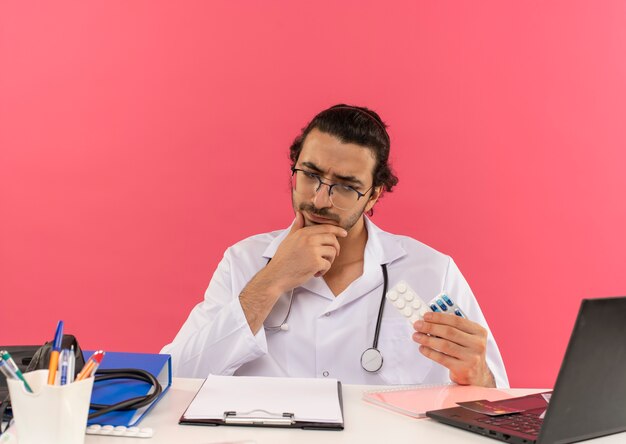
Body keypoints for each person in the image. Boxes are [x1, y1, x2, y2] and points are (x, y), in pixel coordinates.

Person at [161, 104, 509, 388]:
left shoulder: (432, 272)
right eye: (310, 175)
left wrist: (478, 376)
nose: (320, 199)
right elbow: (175, 379)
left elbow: (496, 403)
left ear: (374, 193)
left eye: (345, 187)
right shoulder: (243, 261)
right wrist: (272, 279)